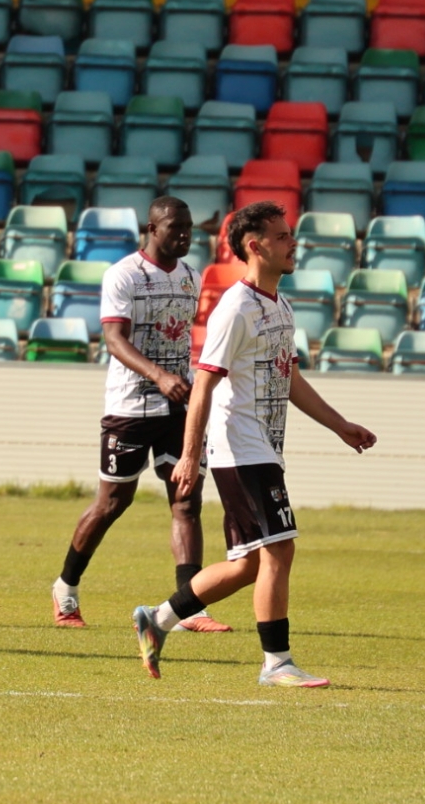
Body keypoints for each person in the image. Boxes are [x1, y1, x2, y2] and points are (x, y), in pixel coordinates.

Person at [133, 202, 377, 687]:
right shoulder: (235, 308)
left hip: (262, 447)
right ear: (255, 246)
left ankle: (157, 619)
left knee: (248, 564)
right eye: (282, 236)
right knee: (280, 549)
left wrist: (340, 425)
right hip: (241, 449)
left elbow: (291, 379)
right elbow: (203, 384)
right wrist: (189, 456)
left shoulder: (279, 305)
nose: (292, 243)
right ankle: (277, 663)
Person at [51, 197, 229, 633]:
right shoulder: (123, 274)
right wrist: (159, 375)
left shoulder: (191, 277)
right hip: (130, 405)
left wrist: (182, 381)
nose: (185, 235)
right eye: (175, 227)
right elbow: (114, 339)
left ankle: (188, 608)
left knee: (186, 501)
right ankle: (65, 586)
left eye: (189, 227)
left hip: (178, 407)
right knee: (112, 503)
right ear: (152, 229)